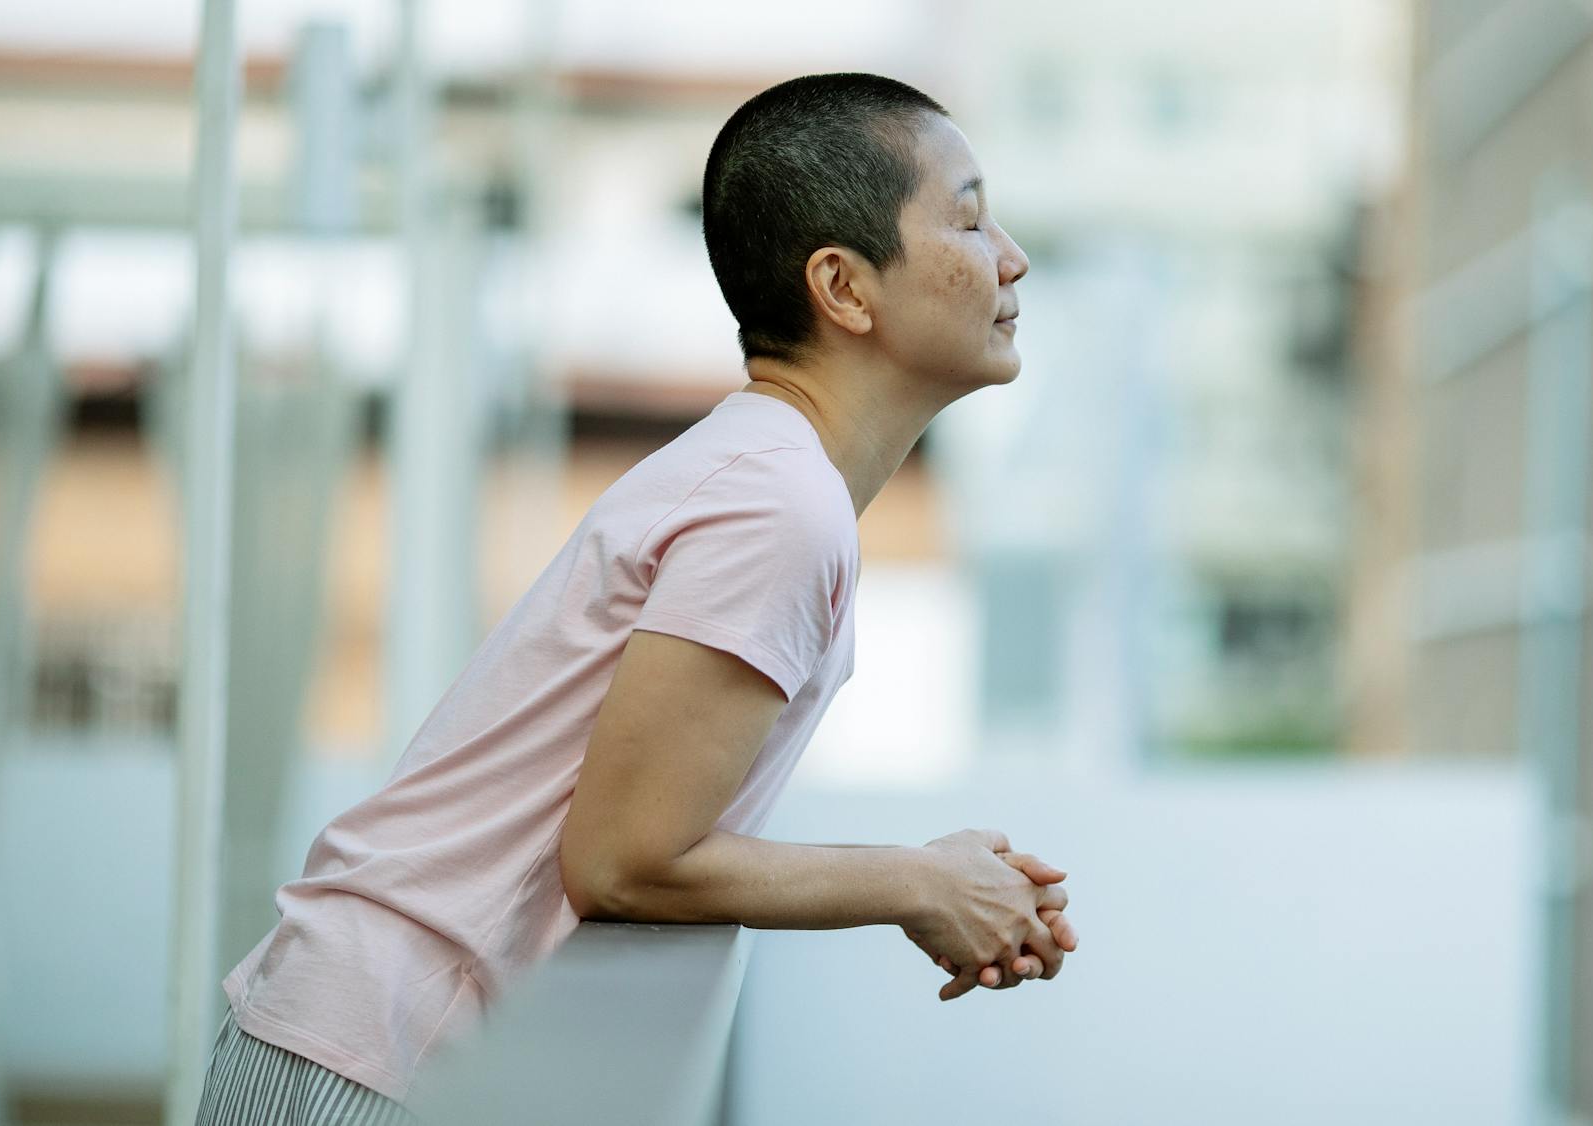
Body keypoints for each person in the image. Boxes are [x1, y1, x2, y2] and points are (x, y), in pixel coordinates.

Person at [195, 71, 1078, 1126]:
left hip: (371, 1043)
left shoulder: (769, 478)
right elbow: (625, 859)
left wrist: (935, 878)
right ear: (843, 289)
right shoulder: (777, 505)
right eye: (970, 218)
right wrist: (917, 883)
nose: (1011, 257)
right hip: (370, 1057)